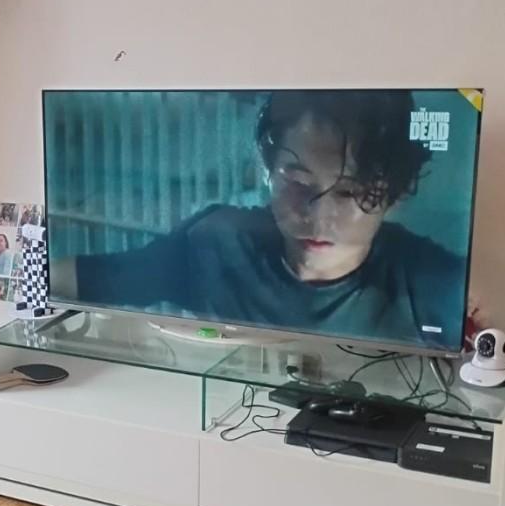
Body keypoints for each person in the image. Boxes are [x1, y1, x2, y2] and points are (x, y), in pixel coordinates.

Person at [55, 90, 466, 349]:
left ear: (394, 196)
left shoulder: (434, 285)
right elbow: (95, 276)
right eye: (298, 182)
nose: (317, 215)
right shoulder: (217, 244)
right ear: (268, 171)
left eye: (349, 192)